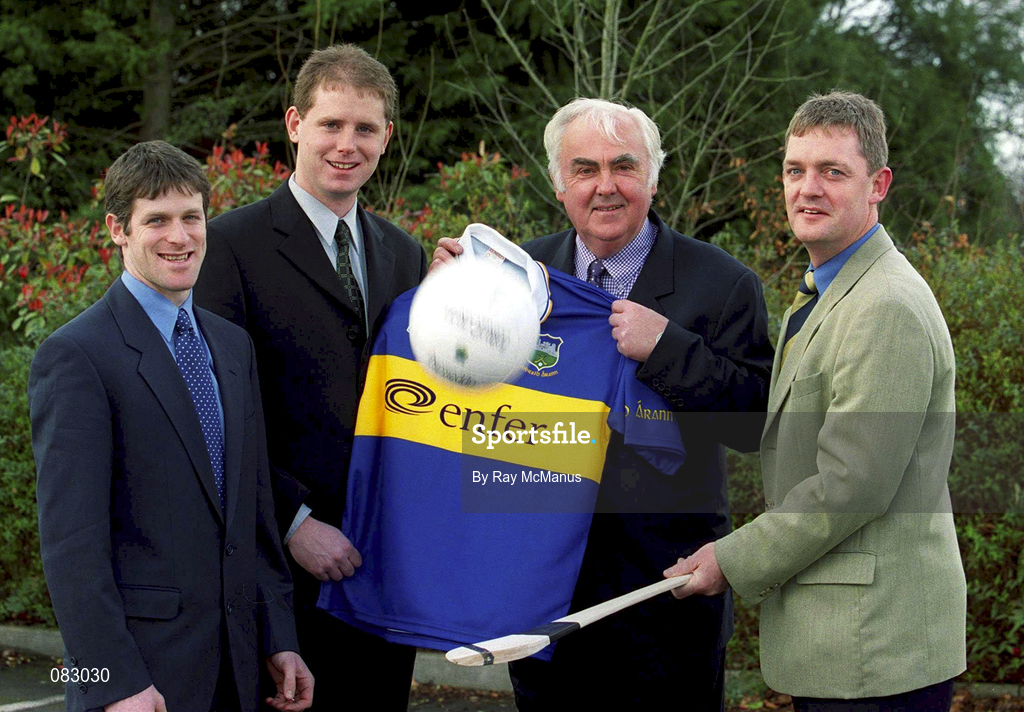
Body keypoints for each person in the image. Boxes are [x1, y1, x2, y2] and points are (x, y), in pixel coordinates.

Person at [433, 98, 774, 710]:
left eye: (624, 166)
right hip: (542, 605)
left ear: (653, 176)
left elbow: (754, 422)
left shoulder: (722, 284)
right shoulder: (513, 281)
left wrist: (668, 349)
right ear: (559, 184)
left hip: (666, 606)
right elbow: (457, 404)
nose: (606, 187)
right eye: (585, 169)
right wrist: (447, 305)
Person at [667, 91, 966, 711]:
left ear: (878, 184)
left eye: (833, 171)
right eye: (794, 170)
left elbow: (850, 485)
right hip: (846, 647)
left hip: (876, 653)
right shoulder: (827, 290)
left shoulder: (885, 307)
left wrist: (731, 558)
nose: (808, 188)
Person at [29, 140, 312, 712]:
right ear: (118, 230)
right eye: (156, 220)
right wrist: (110, 682)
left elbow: (252, 514)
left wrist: (280, 640)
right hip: (140, 682)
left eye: (191, 217)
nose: (179, 237)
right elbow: (70, 548)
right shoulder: (77, 356)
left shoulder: (232, 347)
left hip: (240, 671)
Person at [194, 44, 427, 710]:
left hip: (381, 578)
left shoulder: (403, 254)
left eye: (365, 128)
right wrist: (292, 521)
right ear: (295, 124)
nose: (346, 144)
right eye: (331, 124)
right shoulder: (228, 248)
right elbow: (209, 412)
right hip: (278, 581)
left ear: (386, 137)